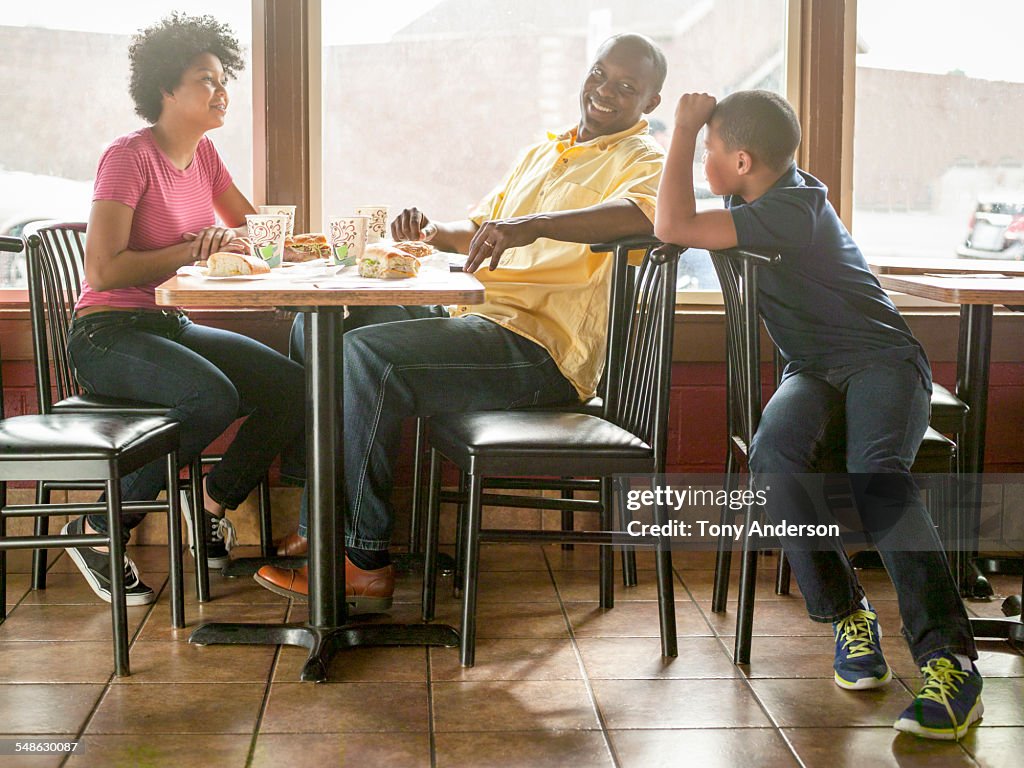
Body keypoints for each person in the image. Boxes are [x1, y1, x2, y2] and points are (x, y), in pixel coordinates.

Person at [254, 33, 668, 610]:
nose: (604, 91)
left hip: (540, 347)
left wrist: (531, 225)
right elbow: (479, 231)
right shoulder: (546, 150)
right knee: (326, 327)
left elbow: (638, 215)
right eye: (600, 74)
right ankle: (317, 518)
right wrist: (428, 230)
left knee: (363, 358)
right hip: (478, 317)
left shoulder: (646, 161)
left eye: (626, 87)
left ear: (649, 103)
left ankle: (363, 559)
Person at [654, 89, 982, 741]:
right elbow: (667, 214)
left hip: (882, 361)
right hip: (814, 370)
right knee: (774, 453)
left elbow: (669, 225)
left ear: (742, 160)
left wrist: (685, 125)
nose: (702, 161)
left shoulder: (789, 209)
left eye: (711, 152)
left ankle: (952, 663)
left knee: (875, 476)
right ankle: (848, 616)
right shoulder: (751, 197)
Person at [62, 13, 305, 605]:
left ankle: (211, 504)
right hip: (105, 333)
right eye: (206, 79)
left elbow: (256, 231)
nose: (222, 91)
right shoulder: (128, 156)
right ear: (166, 88)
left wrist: (303, 245)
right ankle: (98, 527)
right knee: (211, 397)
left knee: (291, 384)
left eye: (224, 79)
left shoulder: (206, 157)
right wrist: (189, 250)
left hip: (166, 322)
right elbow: (103, 271)